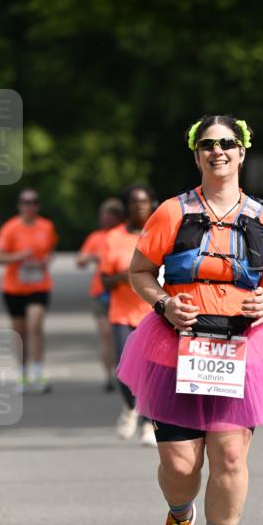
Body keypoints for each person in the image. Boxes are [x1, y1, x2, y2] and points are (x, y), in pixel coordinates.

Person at [119, 115, 263, 525]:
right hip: (175, 346)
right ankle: (180, 514)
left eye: (227, 143)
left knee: (229, 457)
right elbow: (139, 273)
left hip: (242, 348)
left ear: (242, 152)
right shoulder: (171, 212)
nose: (217, 151)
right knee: (181, 466)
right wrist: (163, 302)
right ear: (196, 153)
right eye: (207, 144)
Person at [99, 184, 159, 446]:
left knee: (150, 372)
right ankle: (130, 406)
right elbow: (104, 280)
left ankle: (148, 424)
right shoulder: (113, 237)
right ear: (127, 207)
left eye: (144, 202)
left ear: (152, 204)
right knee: (123, 370)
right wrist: (121, 278)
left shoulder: (161, 233)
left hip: (153, 313)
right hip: (122, 312)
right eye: (134, 202)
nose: (140, 206)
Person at [0, 189, 58, 393]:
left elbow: (50, 252)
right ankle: (22, 374)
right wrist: (19, 256)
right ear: (19, 205)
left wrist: (47, 260)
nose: (29, 206)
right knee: (19, 332)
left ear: (37, 206)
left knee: (35, 326)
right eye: (25, 202)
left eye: (33, 202)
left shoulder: (46, 227)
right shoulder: (10, 228)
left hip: (39, 285)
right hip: (14, 287)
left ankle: (38, 373)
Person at [77, 198, 125, 391]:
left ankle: (124, 373)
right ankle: (109, 375)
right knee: (105, 334)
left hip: (123, 294)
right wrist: (92, 257)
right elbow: (80, 261)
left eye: (112, 213)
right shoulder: (96, 238)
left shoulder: (125, 235)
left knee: (122, 337)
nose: (107, 217)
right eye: (105, 213)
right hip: (101, 293)